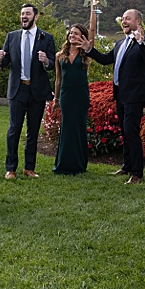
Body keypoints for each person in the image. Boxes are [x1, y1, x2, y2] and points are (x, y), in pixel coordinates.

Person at [84, 7, 145, 184]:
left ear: (138, 22)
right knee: (125, 131)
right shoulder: (120, 44)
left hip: (135, 96)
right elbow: (105, 59)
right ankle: (127, 166)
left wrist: (140, 42)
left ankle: (137, 173)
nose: (124, 21)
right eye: (123, 19)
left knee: (132, 132)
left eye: (128, 19)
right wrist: (89, 50)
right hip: (121, 95)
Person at [0, 3, 56, 179]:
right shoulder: (12, 36)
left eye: (28, 14)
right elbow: (4, 62)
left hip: (37, 91)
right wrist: (0, 59)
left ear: (35, 17)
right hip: (17, 89)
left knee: (33, 130)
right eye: (22, 13)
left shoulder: (46, 38)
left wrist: (46, 61)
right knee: (14, 129)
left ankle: (29, 168)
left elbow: (52, 64)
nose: (24, 16)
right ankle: (11, 168)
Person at [51, 22, 92, 176]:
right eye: (71, 33)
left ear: (82, 37)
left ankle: (80, 165)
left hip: (81, 95)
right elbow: (58, 79)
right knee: (67, 128)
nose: (72, 35)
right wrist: (56, 99)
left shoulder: (86, 53)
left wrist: (94, 5)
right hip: (66, 95)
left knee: (79, 127)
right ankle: (64, 164)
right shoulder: (59, 56)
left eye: (76, 33)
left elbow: (92, 30)